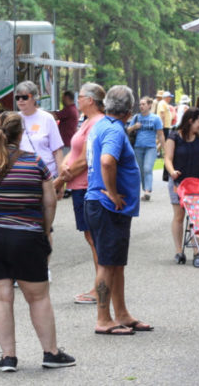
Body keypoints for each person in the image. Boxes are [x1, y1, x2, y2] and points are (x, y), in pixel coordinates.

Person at [0, 111, 76, 372]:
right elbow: (49, 201)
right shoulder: (35, 163)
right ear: (21, 134)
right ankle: (51, 352)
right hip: (27, 236)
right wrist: (45, 232)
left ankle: (8, 357)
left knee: (0, 298)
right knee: (38, 297)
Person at [86, 85, 152, 335]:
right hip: (107, 206)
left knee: (115, 263)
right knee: (106, 263)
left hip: (104, 206)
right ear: (129, 111)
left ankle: (121, 313)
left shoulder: (100, 125)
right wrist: (112, 192)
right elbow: (106, 161)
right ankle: (103, 318)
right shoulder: (113, 130)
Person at [52, 82, 104, 305]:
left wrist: (59, 179)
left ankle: (100, 287)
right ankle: (100, 284)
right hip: (77, 185)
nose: (77, 100)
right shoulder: (86, 122)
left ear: (90, 100)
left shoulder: (96, 123)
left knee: (95, 239)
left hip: (86, 186)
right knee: (91, 237)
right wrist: (64, 166)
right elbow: (73, 152)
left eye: (80, 97)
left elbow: (84, 159)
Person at [164, 108, 199, 263]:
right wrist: (172, 171)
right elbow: (168, 159)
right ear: (190, 121)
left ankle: (197, 250)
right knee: (180, 216)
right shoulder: (174, 136)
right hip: (178, 182)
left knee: (195, 215)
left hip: (195, 182)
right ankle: (179, 251)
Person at [14, 80, 63, 177]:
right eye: (17, 97)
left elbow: (57, 150)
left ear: (34, 98)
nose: (20, 100)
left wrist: (60, 179)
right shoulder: (13, 119)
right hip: (20, 175)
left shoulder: (47, 118)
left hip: (46, 175)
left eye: (24, 97)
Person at [126, 96, 164, 202]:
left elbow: (160, 135)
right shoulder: (137, 118)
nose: (141, 106)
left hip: (151, 147)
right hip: (138, 147)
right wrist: (134, 127)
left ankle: (147, 191)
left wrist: (165, 148)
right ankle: (144, 190)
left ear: (149, 105)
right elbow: (127, 131)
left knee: (147, 168)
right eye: (140, 104)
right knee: (140, 170)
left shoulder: (155, 118)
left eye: (143, 104)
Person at [53, 91, 78, 158]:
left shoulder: (69, 109)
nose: (62, 100)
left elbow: (55, 116)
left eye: (63, 98)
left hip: (66, 143)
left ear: (67, 98)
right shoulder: (73, 108)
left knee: (63, 162)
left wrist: (41, 112)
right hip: (68, 141)